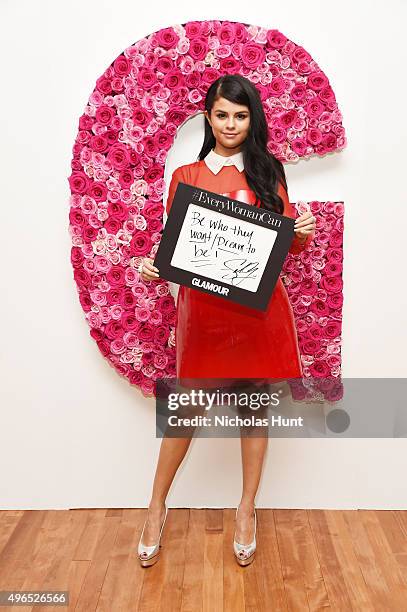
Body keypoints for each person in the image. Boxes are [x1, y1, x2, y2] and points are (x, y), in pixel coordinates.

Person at [137, 74, 316, 567]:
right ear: (209, 118)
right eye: (222, 115)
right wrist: (155, 265)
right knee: (187, 410)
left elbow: (288, 240)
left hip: (259, 314)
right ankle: (155, 507)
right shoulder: (186, 178)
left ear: (251, 119)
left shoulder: (268, 171)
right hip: (205, 315)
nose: (231, 124)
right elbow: (176, 249)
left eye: (240, 115)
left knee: (253, 410)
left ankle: (246, 509)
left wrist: (300, 231)